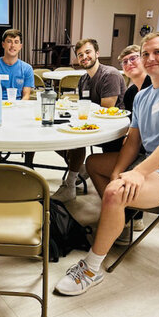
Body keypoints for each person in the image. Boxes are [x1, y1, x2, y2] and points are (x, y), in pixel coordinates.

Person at [55, 31, 159, 296]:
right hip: (148, 161)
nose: (149, 58)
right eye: (145, 53)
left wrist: (137, 172)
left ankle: (91, 268)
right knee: (95, 164)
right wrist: (116, 172)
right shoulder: (143, 96)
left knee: (115, 192)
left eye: (157, 52)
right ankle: (120, 220)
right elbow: (133, 141)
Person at [52, 38, 126, 203]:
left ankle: (70, 185)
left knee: (76, 140)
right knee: (57, 136)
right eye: (80, 55)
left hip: (113, 130)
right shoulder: (83, 79)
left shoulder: (110, 74)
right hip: (95, 124)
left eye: (88, 52)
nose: (84, 57)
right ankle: (80, 168)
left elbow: (106, 110)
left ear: (97, 53)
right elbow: (83, 107)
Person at [118, 44, 152, 234]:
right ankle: (121, 213)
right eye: (125, 61)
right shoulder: (131, 93)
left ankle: (133, 216)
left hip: (151, 151)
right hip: (139, 144)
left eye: (133, 58)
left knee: (122, 161)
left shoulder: (153, 84)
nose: (129, 63)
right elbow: (134, 125)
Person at [0, 29, 34, 100]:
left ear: (20, 46)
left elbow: (26, 95)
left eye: (16, 42)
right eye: (9, 42)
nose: (12, 45)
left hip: (18, 107)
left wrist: (17, 108)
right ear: (3, 44)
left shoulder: (27, 69)